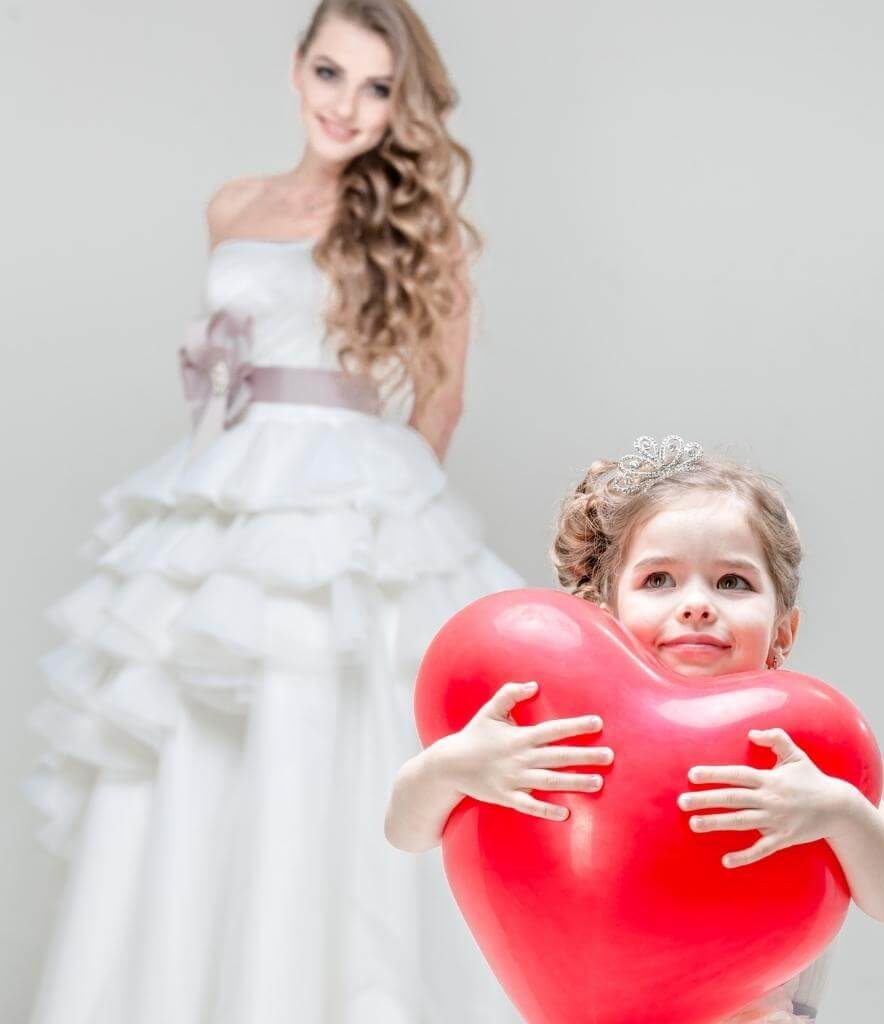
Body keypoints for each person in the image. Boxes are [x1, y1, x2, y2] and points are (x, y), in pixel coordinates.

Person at [26, 2, 523, 1021]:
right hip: (225, 490)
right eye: (331, 74)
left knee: (329, 740)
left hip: (348, 500)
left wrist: (379, 532)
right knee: (193, 746)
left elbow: (440, 401)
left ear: (402, 103)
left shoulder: (416, 229)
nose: (347, 105)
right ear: (295, 71)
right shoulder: (231, 206)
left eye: (377, 87)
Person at [386, 437, 884, 1022]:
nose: (696, 605)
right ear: (605, 614)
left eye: (732, 583)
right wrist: (453, 766)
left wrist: (838, 811)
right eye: (659, 580)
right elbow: (406, 832)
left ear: (784, 633)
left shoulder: (799, 749)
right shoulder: (554, 733)